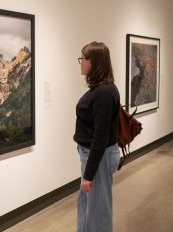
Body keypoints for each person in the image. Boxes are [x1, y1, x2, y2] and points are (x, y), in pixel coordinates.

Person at [73, 41, 121, 232]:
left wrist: (89, 175)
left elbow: (100, 137)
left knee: (99, 212)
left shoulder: (103, 93)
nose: (80, 63)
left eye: (82, 59)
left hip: (98, 157)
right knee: (85, 205)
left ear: (94, 62)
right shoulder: (100, 89)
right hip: (93, 156)